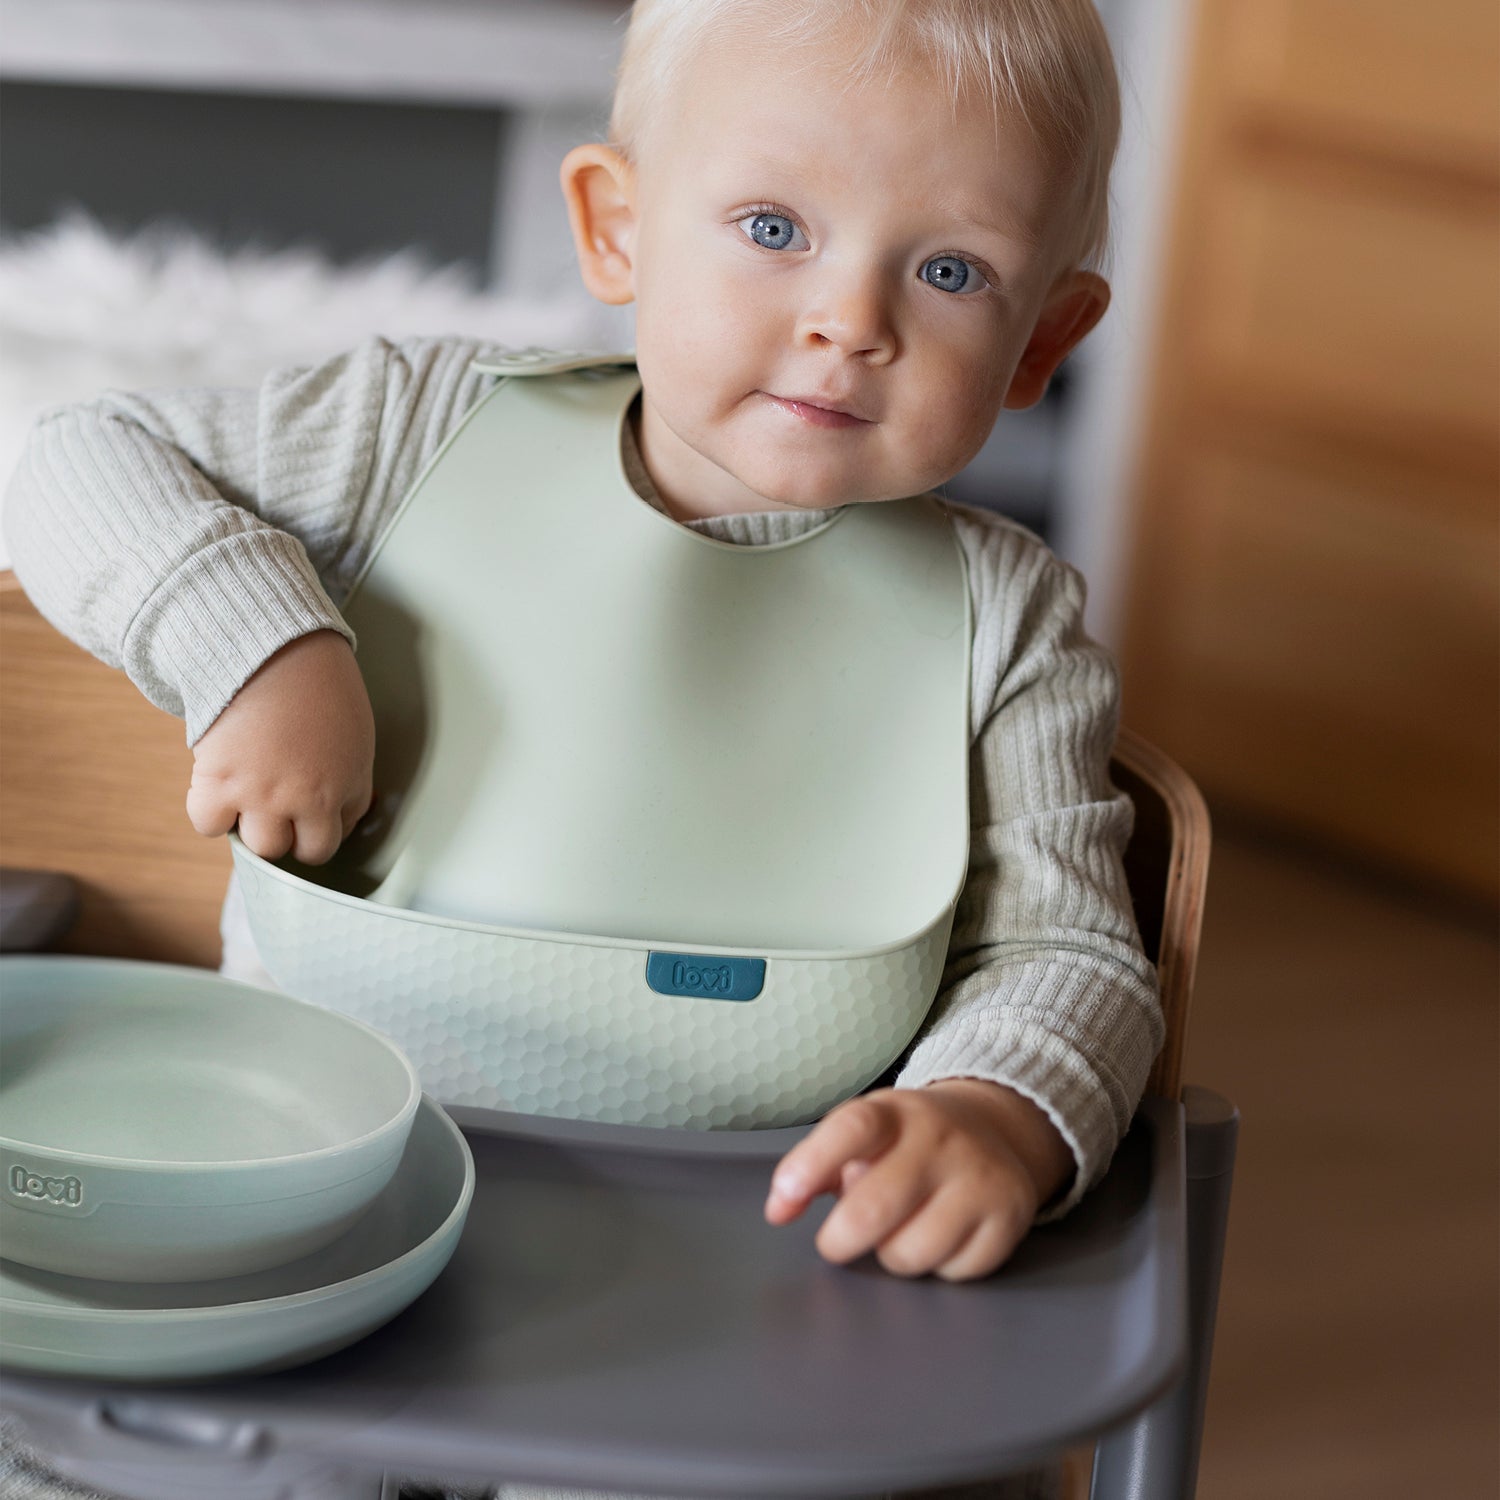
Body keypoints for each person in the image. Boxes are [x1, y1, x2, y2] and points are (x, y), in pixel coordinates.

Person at [6, 1, 1157, 1490]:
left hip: (726, 1298)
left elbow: (1068, 953)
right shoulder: (407, 430)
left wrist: (993, 1112)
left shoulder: (1013, 624)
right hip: (307, 1214)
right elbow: (80, 458)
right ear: (616, 229)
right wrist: (264, 649)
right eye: (771, 224)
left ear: (1040, 339)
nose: (851, 319)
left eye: (950, 271)